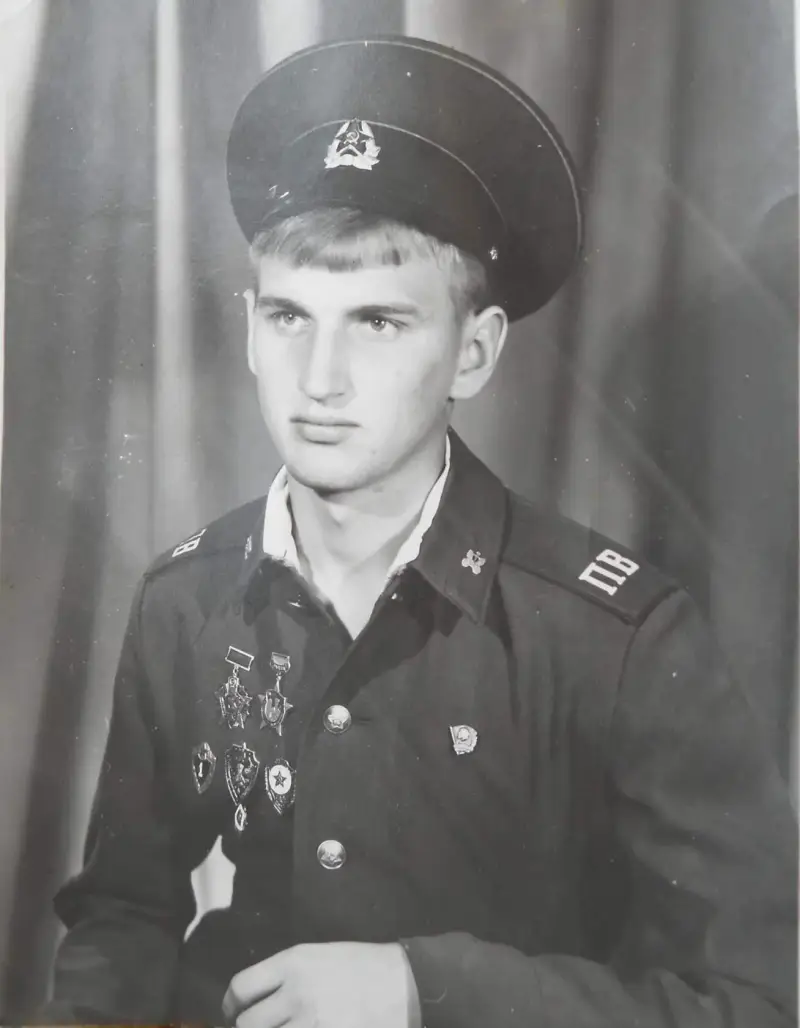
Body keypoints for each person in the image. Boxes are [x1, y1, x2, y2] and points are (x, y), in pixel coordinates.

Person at [41, 36, 796, 1028]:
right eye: (289, 317)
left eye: (378, 323)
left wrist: (421, 986)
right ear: (251, 327)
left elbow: (756, 1001)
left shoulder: (617, 640)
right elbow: (122, 917)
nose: (320, 379)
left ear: (472, 352)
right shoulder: (184, 601)